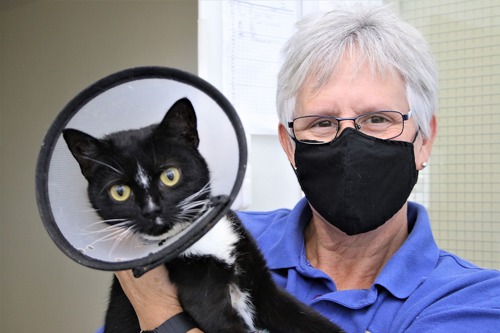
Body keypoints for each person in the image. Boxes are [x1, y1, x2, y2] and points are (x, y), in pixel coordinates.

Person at [110, 4, 500, 333]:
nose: (349, 144)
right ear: (289, 144)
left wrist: (161, 314)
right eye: (322, 123)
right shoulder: (219, 237)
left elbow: (153, 305)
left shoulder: (472, 301)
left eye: (378, 119)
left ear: (425, 139)